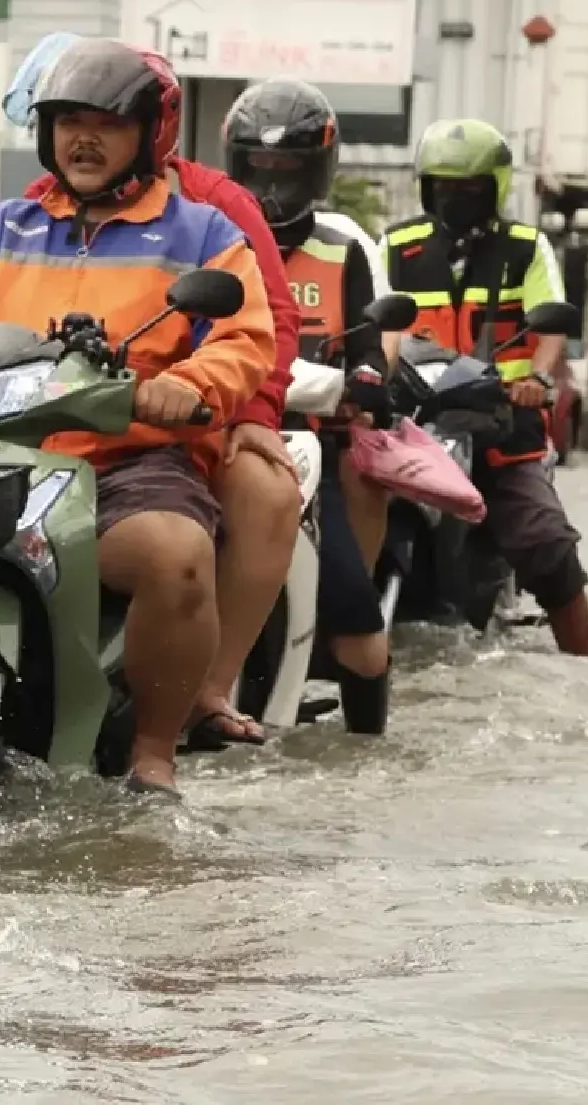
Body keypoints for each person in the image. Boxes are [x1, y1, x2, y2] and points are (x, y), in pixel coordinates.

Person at [0, 37, 303, 756]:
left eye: (106, 122)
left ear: (150, 132)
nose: (83, 138)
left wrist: (183, 388)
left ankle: (153, 755)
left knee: (178, 554)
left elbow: (243, 339)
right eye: (68, 121)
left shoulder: (205, 234)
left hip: (126, 467)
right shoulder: (2, 228)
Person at [377, 118, 588, 656]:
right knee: (343, 525)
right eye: (444, 188)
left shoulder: (526, 248)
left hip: (504, 433)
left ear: (494, 189)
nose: (455, 200)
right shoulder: (396, 247)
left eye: (469, 190)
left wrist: (538, 380)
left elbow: (551, 332)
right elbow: (373, 326)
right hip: (416, 432)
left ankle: (585, 669)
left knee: (548, 547)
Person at [222, 79, 396, 731]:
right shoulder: (207, 237)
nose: (271, 191)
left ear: (317, 171)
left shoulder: (342, 248)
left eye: (289, 174)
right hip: (211, 437)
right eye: (259, 171)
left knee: (363, 638)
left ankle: (365, 751)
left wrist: (371, 380)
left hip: (304, 447)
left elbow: (369, 350)